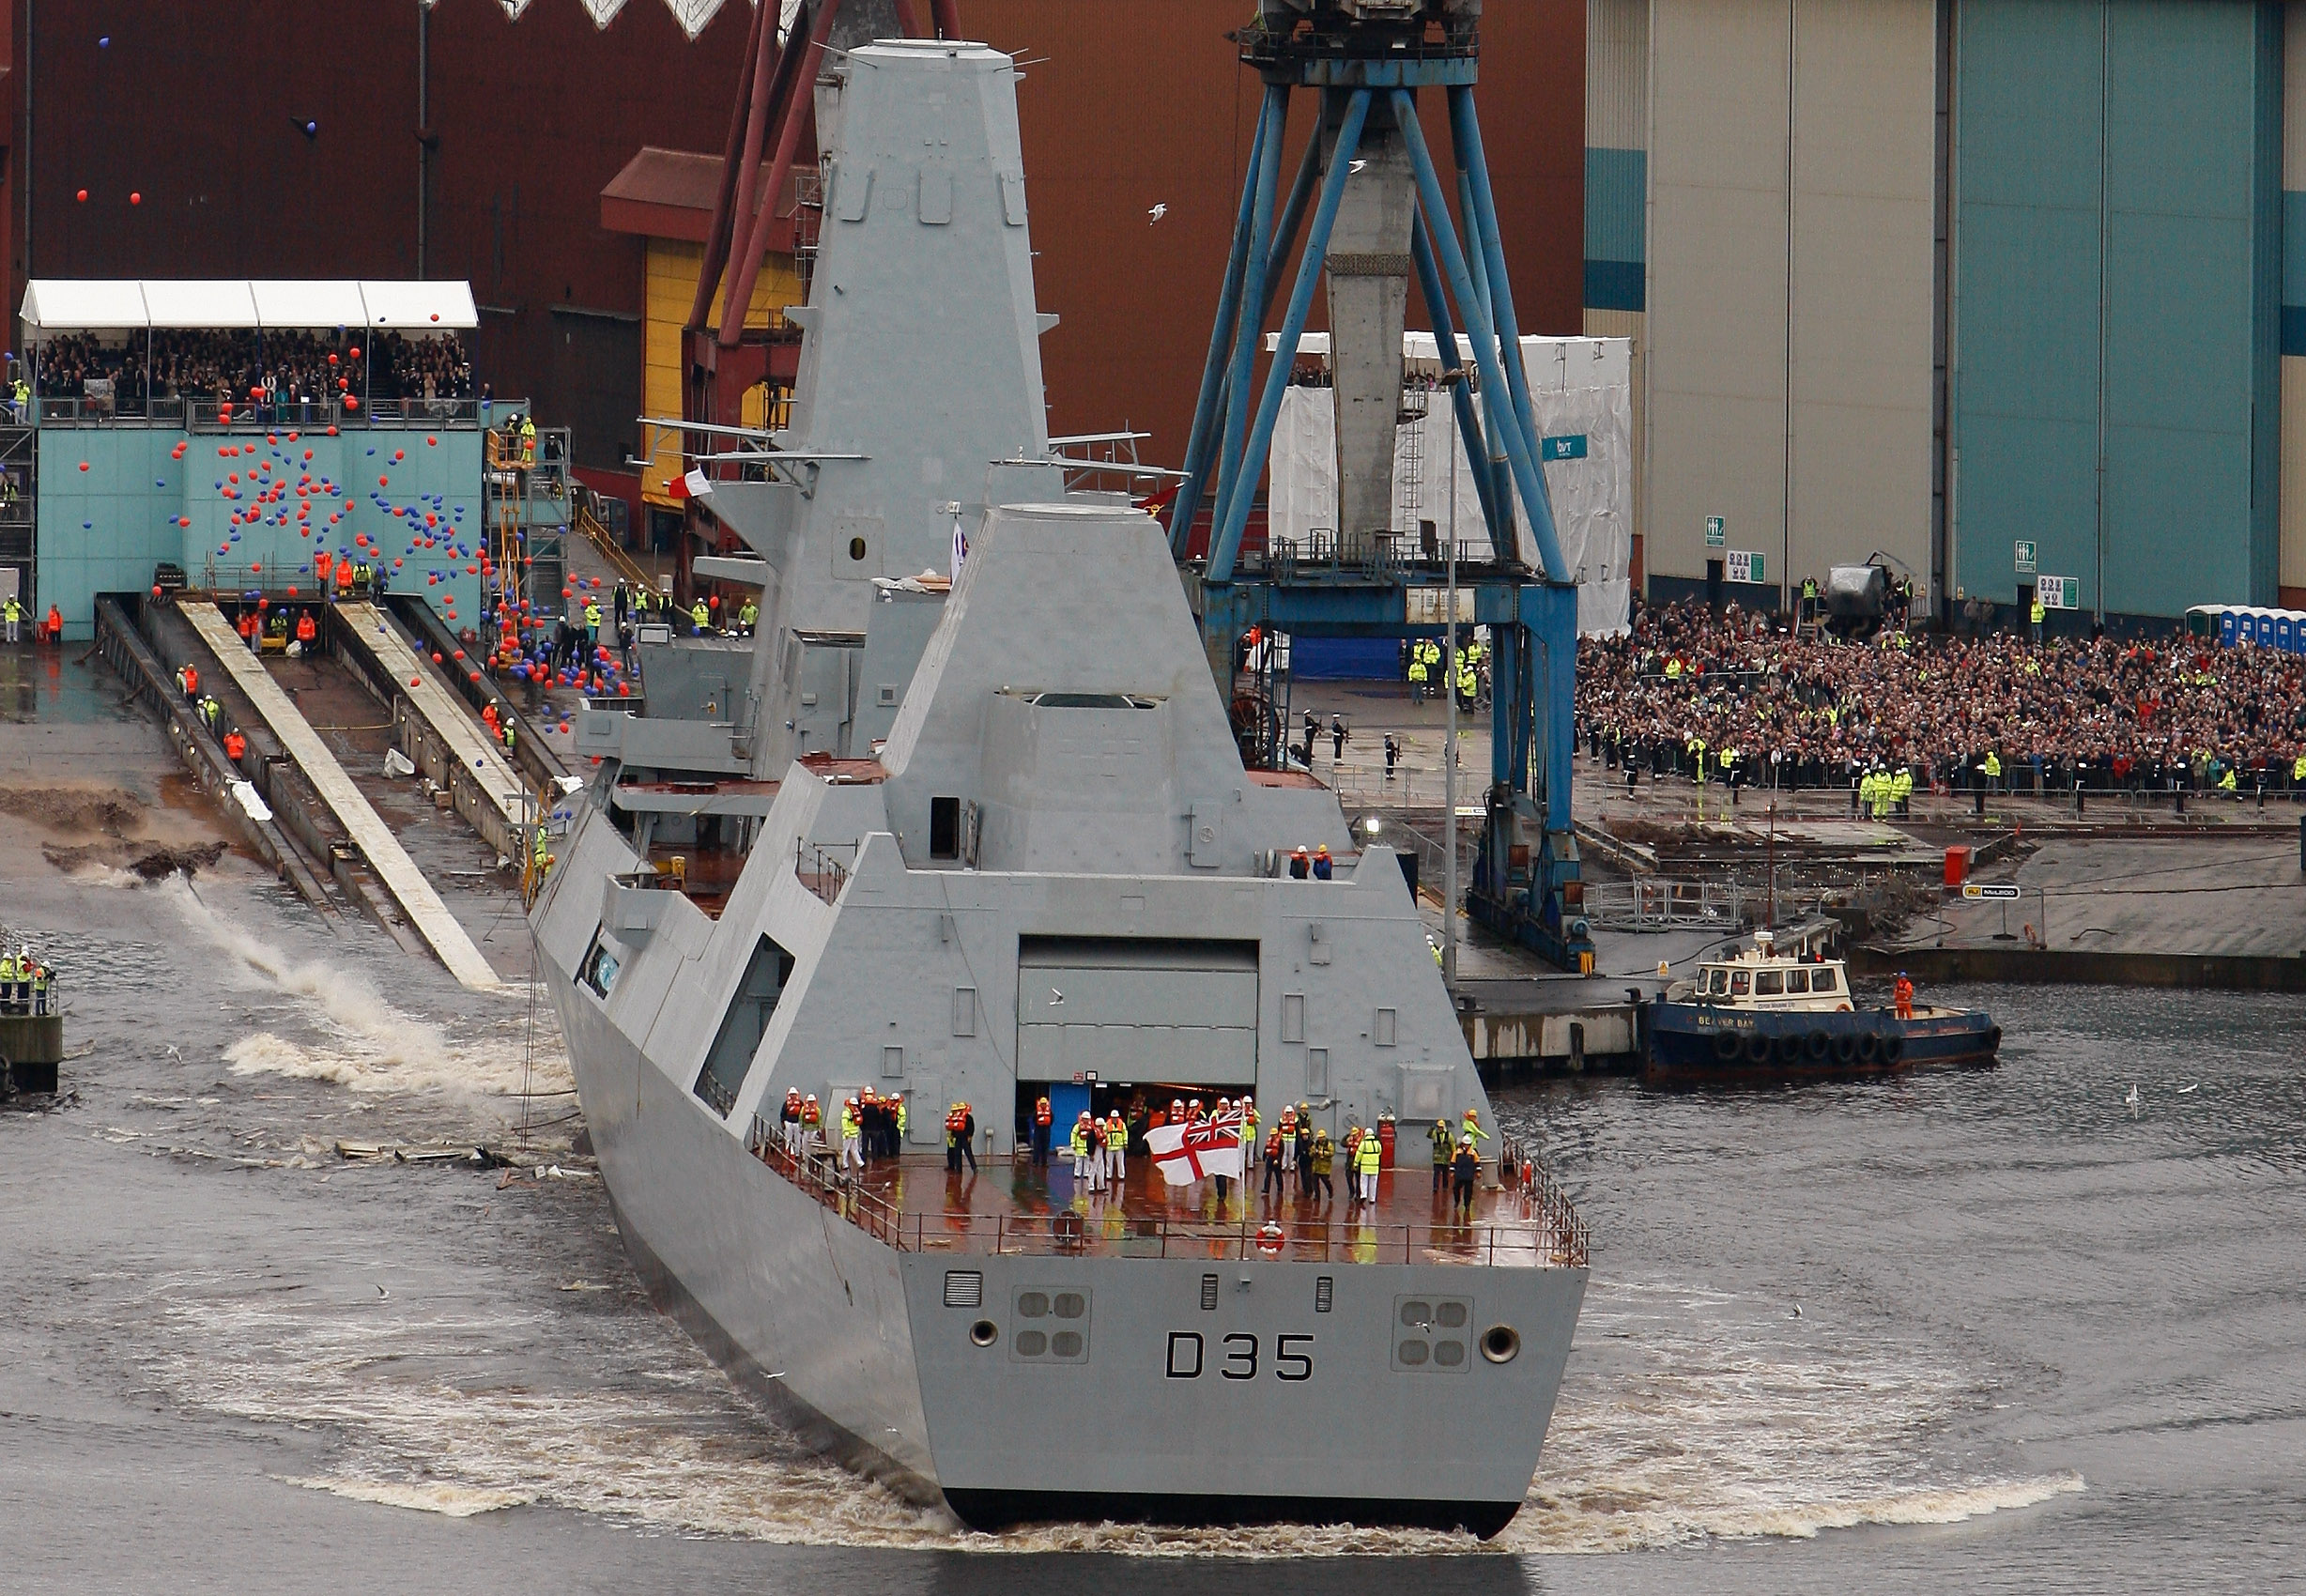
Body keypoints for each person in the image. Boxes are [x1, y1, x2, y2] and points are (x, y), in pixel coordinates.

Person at [1451, 1134, 1482, 1219]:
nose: (1466, 1146)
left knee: (1468, 1191)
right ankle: (1457, 1201)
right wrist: (1452, 1171)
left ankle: (1467, 1205)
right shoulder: (1457, 1152)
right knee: (1456, 1188)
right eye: (1465, 1144)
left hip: (1469, 1175)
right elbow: (1453, 1162)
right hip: (1459, 1174)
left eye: (1468, 1144)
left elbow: (1477, 1162)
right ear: (1462, 1144)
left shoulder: (1473, 1153)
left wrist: (1478, 1172)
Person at [1354, 1119, 1384, 1205]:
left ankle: (1363, 1195)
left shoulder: (1364, 1143)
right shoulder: (1377, 1142)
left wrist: (1356, 1163)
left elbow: (1359, 1153)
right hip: (1374, 1167)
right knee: (1373, 1183)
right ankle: (1372, 1199)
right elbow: (1380, 1151)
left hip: (1365, 1166)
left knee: (1363, 1181)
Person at [1069, 1110, 1095, 1189]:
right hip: (1079, 1148)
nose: (1086, 1120)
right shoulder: (1077, 1126)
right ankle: (1077, 1174)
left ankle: (1086, 1174)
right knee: (1078, 1161)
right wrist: (1073, 1144)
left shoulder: (1091, 1127)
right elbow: (1073, 1134)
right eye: (1084, 1118)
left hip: (1087, 1148)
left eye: (1087, 1119)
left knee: (1087, 1162)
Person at [1430, 1116, 1455, 1195]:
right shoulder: (1434, 1133)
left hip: (1445, 1158)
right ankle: (1435, 1187)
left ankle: (1445, 1187)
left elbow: (1453, 1147)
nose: (1439, 1128)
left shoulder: (1449, 1136)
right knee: (1436, 1173)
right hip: (1437, 1158)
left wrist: (1454, 1157)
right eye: (1438, 1127)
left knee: (1445, 1174)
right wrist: (1431, 1128)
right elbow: (1428, 1135)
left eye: (1441, 1127)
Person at [1310, 1128, 1335, 1205]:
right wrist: (1314, 1153)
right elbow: (1311, 1152)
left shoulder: (1329, 1145)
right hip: (1316, 1166)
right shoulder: (1316, 1144)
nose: (1320, 1139)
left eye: (1321, 1137)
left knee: (1325, 1181)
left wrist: (1323, 1153)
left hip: (1325, 1167)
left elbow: (1331, 1153)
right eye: (1319, 1137)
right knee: (1315, 1182)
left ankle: (1330, 1191)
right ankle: (1317, 1196)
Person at [838, 1095, 863, 1171]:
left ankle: (859, 1162)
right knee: (845, 1150)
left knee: (855, 1149)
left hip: (854, 1134)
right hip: (848, 1134)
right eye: (853, 1105)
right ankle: (844, 1163)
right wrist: (846, 1133)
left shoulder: (855, 1112)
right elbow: (844, 1123)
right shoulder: (846, 1112)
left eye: (856, 1105)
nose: (855, 1106)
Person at [1105, 1109, 1128, 1186]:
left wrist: (1125, 1142)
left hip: (1119, 1147)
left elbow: (1125, 1133)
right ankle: (1109, 1175)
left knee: (1120, 1162)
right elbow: (1104, 1134)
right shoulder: (1107, 1124)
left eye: (1115, 1117)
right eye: (1113, 1117)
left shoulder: (1122, 1124)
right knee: (1109, 1162)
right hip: (1110, 1146)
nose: (1114, 1119)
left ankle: (1121, 1176)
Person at [780, 1087, 805, 1154]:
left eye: (794, 1094)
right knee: (788, 1138)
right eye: (791, 1094)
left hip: (797, 1123)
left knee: (798, 1139)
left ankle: (797, 1153)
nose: (793, 1095)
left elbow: (803, 1113)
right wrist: (782, 1122)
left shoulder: (800, 1103)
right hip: (788, 1122)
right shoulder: (786, 1103)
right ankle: (789, 1152)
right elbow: (783, 1113)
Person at [1032, 1094, 1053, 1166]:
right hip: (1038, 1129)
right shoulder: (1036, 1112)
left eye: (1044, 1104)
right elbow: (1033, 1119)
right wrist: (1037, 1125)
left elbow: (1052, 1119)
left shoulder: (1049, 1111)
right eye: (1042, 1104)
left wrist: (1047, 1125)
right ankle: (1035, 1162)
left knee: (1045, 1146)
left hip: (1046, 1129)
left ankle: (1044, 1162)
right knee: (1037, 1146)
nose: (1043, 1105)